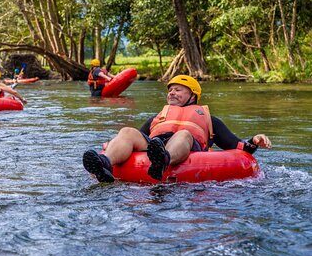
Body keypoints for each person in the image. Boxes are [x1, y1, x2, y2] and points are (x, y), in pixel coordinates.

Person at [82, 75, 272, 182]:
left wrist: (254, 141)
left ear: (193, 96)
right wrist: (112, 144)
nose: (172, 92)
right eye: (170, 90)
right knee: (127, 131)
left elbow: (236, 145)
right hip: (155, 145)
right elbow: (134, 139)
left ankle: (163, 160)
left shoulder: (209, 120)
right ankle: (103, 163)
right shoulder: (158, 117)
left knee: (183, 133)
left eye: (178, 90)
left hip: (183, 146)